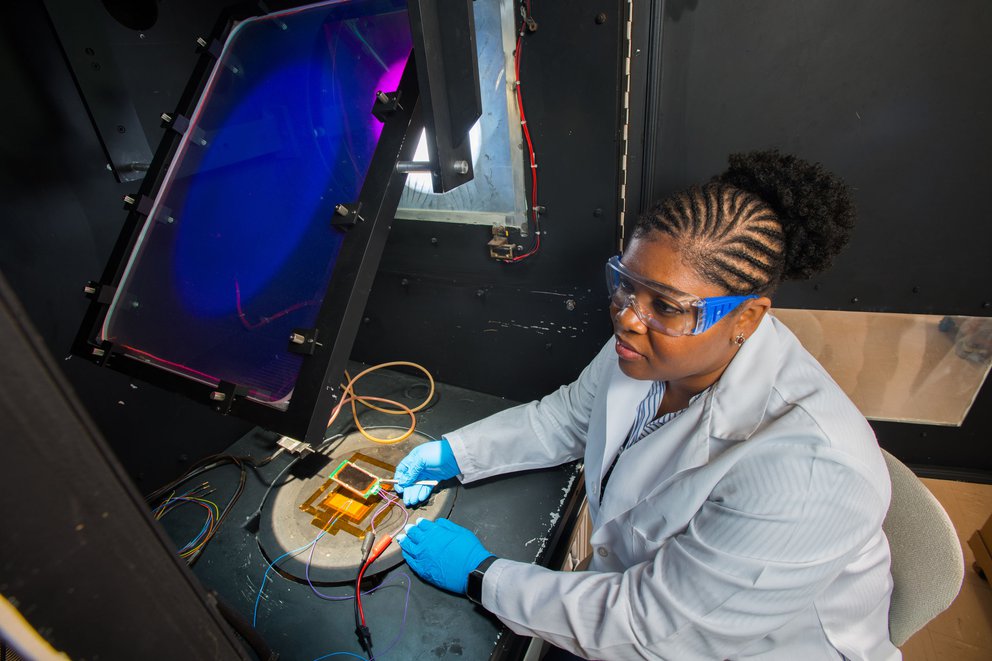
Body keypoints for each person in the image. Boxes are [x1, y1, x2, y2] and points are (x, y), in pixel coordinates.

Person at [392, 150, 899, 660]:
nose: (627, 318)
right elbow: (569, 417)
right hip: (633, 603)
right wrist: (455, 452)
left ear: (746, 317)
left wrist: (483, 575)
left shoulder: (814, 473)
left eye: (666, 306)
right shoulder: (649, 345)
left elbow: (655, 628)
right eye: (625, 285)